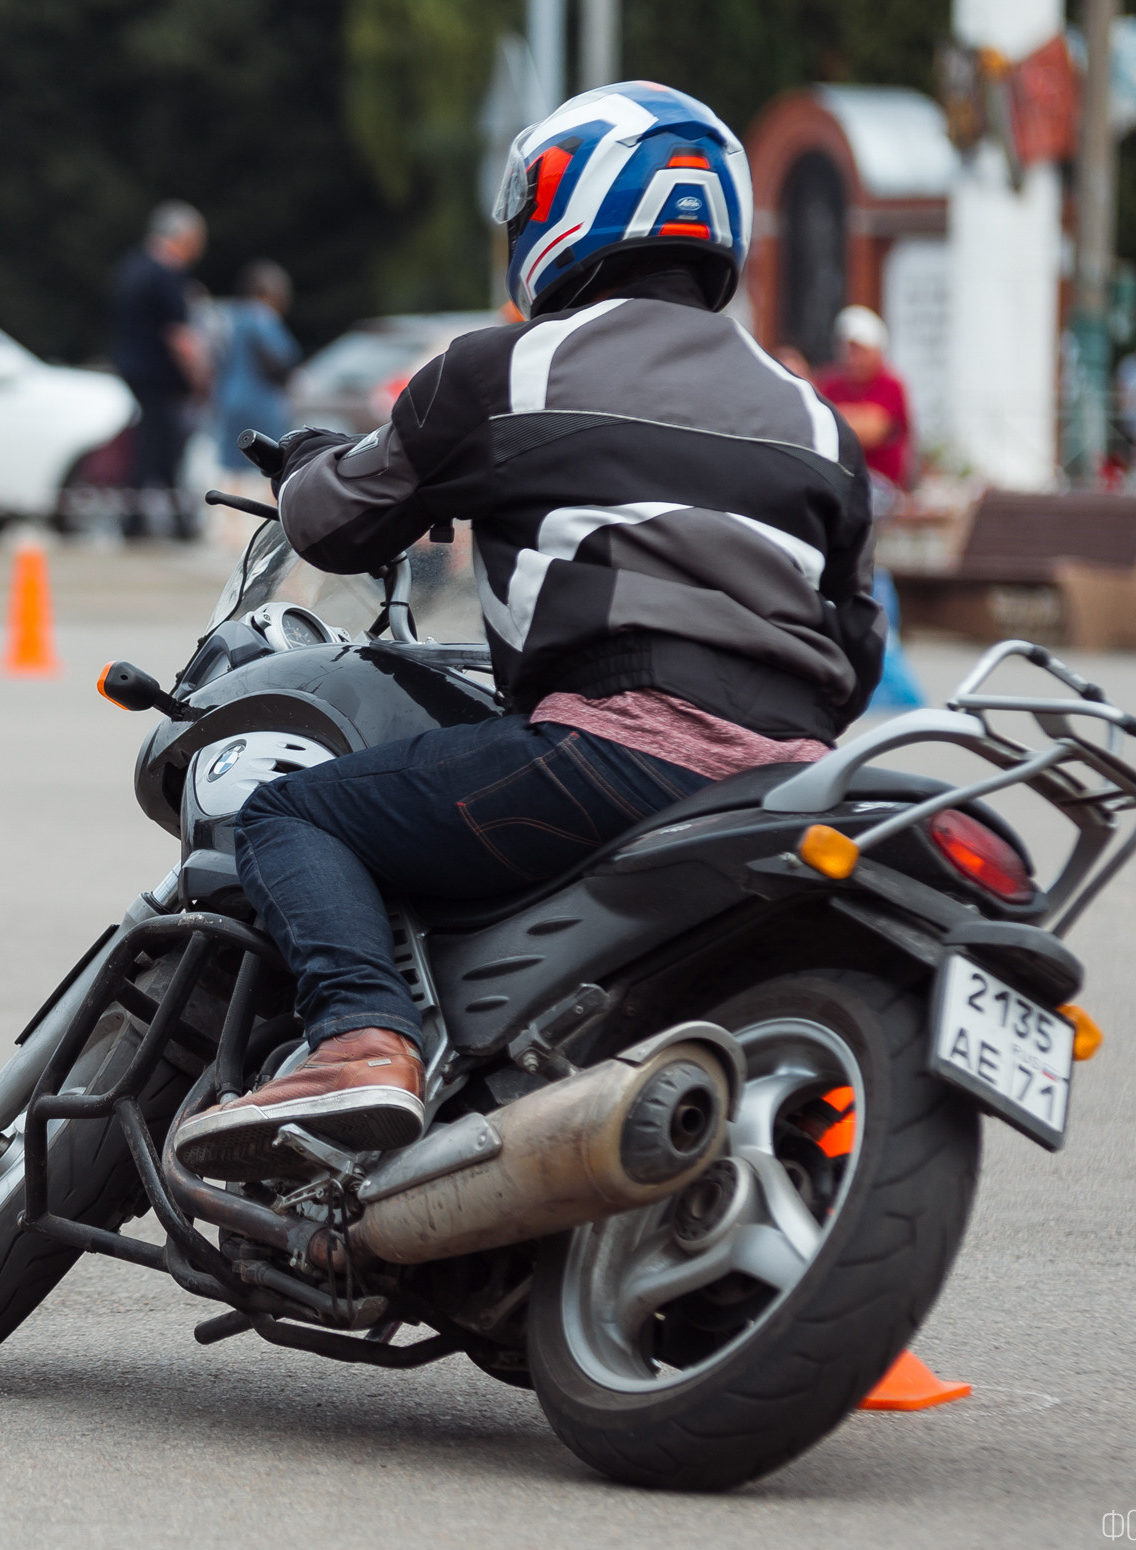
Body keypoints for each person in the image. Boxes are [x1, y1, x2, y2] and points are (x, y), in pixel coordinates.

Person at [171, 81, 883, 1173]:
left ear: (563, 207)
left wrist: (314, 458)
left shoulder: (504, 372)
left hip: (611, 755)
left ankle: (362, 1041)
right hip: (785, 788)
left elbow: (330, 525)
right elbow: (857, 646)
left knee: (290, 816)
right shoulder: (816, 422)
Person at [111, 201, 210, 539]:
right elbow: (179, 337)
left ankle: (156, 522)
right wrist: (200, 375)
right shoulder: (166, 274)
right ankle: (140, 523)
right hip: (159, 378)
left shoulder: (133, 266)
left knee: (157, 447)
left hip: (135, 370)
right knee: (156, 448)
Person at [213, 260, 301, 479]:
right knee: (269, 464)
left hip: (228, 398)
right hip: (260, 401)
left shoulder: (230, 315)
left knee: (234, 468)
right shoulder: (262, 316)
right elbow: (279, 359)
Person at [815, 305, 912, 490]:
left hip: (880, 485)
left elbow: (871, 431)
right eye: (849, 349)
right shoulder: (830, 382)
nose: (853, 358)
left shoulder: (891, 384)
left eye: (859, 351)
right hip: (836, 481)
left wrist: (836, 417)